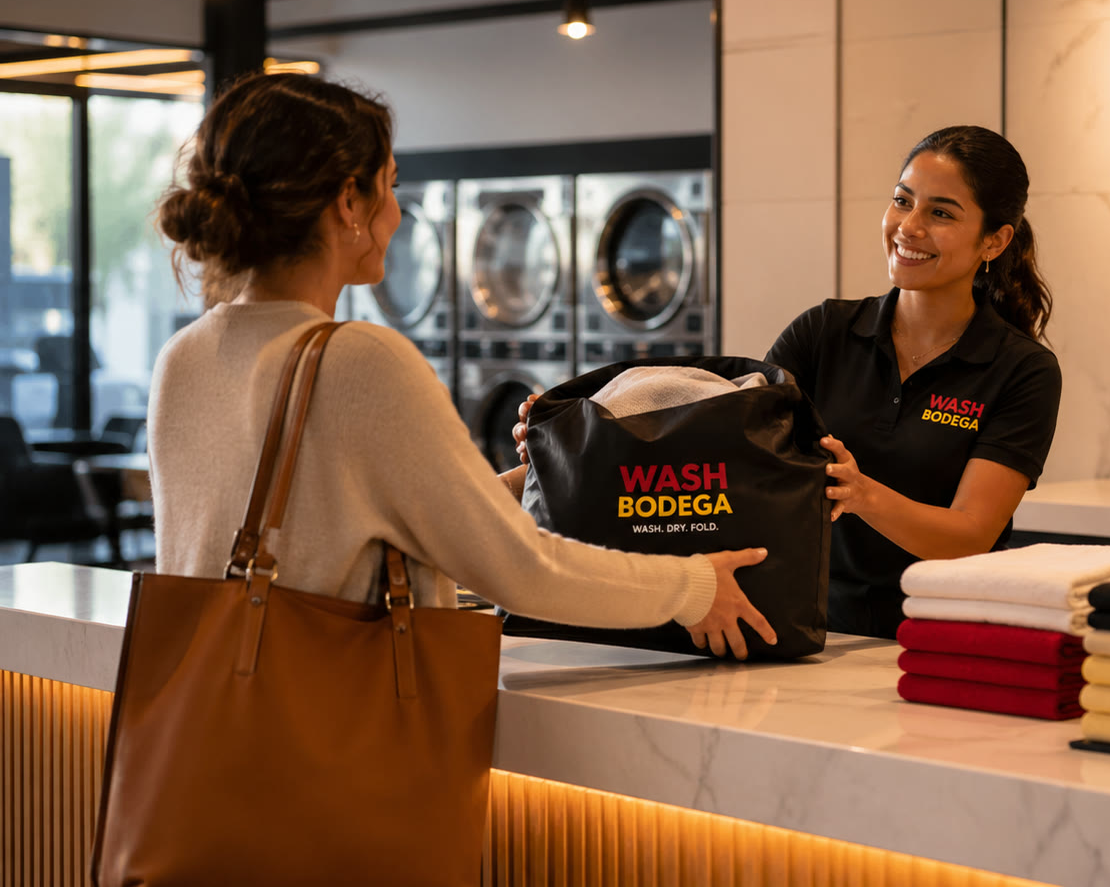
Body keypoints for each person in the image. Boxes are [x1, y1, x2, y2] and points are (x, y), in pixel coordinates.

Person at [150, 72, 774, 659]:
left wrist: (535, 478)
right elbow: (519, 569)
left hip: (213, 733)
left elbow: (341, 522)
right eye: (389, 186)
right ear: (348, 203)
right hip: (335, 741)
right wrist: (689, 586)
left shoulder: (183, 358)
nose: (394, 213)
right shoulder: (359, 361)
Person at [515, 126, 1061, 639]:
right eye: (902, 200)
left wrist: (862, 493)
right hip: (799, 627)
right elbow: (709, 442)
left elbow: (969, 536)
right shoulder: (825, 330)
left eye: (941, 212)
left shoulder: (1021, 370)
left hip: (932, 640)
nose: (909, 227)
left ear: (994, 241)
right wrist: (560, 448)